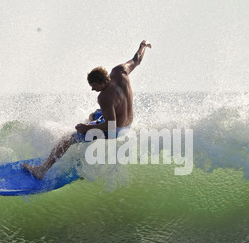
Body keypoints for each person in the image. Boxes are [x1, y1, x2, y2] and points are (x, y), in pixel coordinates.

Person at [23, 40, 152, 179]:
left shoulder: (104, 97)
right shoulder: (120, 71)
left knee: (67, 139)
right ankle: (82, 155)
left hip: (117, 130)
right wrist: (143, 45)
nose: (92, 89)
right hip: (128, 124)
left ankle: (41, 170)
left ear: (102, 82)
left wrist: (86, 128)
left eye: (94, 86)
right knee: (93, 116)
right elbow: (137, 59)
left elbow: (111, 125)